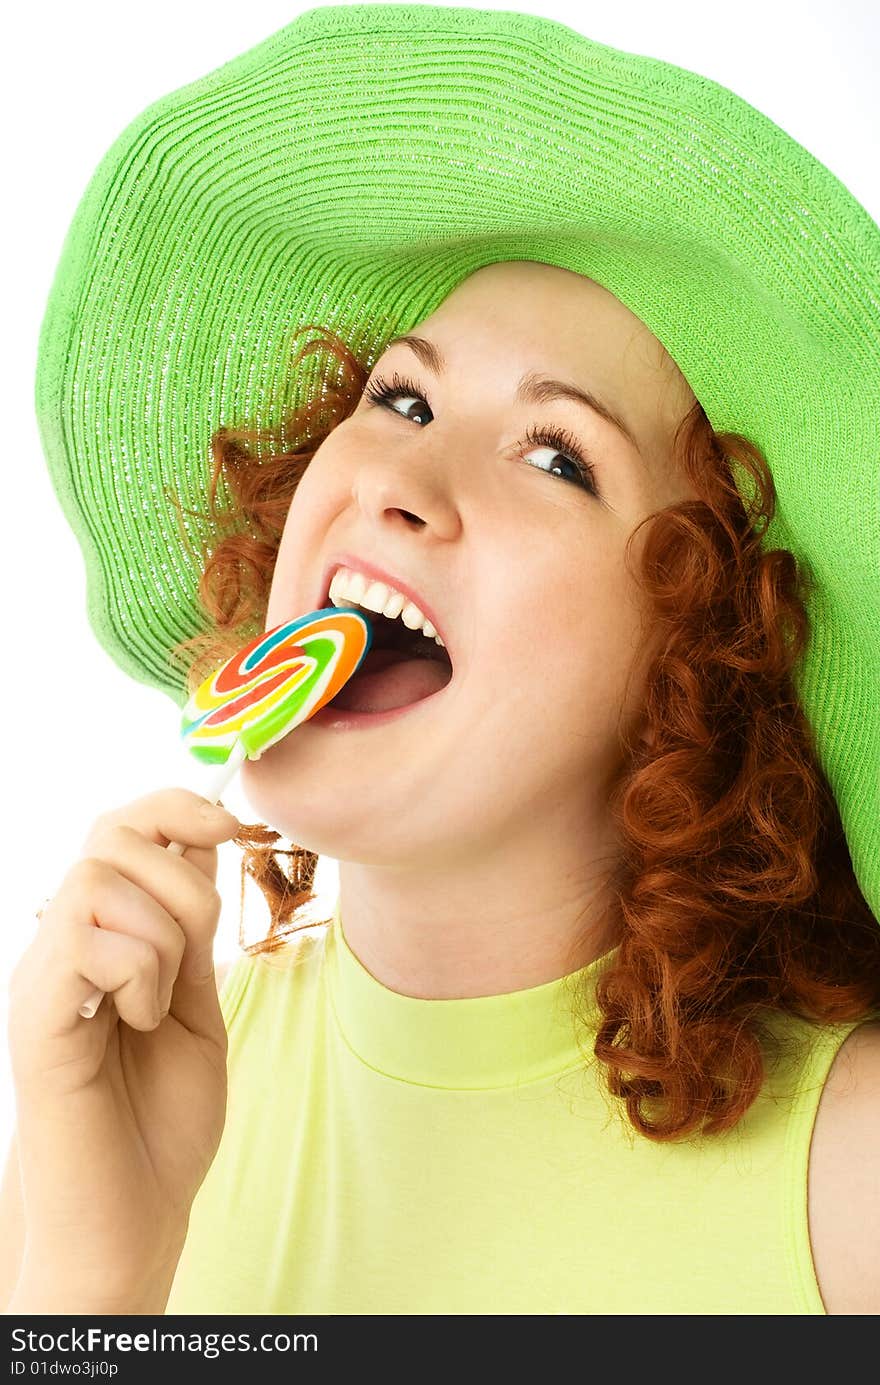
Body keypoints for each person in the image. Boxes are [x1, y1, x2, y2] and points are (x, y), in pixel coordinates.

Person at [3, 4, 880, 1316]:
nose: (401, 474)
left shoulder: (846, 1176)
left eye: (557, 457)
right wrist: (95, 1272)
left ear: (705, 656)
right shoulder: (134, 1085)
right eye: (399, 401)